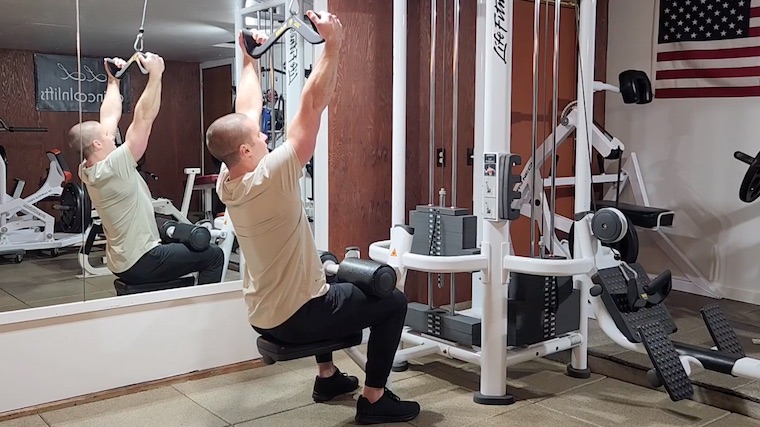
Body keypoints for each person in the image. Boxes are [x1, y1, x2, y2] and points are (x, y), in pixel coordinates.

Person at [206, 11, 421, 425]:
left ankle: (328, 377)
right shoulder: (273, 173)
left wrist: (249, 61)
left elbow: (245, 113)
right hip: (299, 318)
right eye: (259, 138)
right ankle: (375, 399)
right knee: (393, 301)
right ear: (249, 152)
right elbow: (312, 103)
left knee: (324, 265)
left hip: (264, 314)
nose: (265, 136)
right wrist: (334, 45)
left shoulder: (228, 183)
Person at [67, 53, 225, 286]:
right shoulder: (115, 166)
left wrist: (114, 80)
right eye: (107, 135)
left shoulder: (88, 168)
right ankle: (204, 313)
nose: (112, 136)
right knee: (214, 256)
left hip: (123, 261)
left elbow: (109, 115)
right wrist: (156, 75)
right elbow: (144, 117)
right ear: (98, 144)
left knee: (186, 247)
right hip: (144, 261)